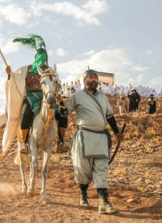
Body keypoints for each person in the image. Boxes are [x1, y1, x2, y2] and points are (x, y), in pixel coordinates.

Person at [57, 69, 123, 215]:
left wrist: (117, 132)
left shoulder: (103, 97)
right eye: (90, 77)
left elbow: (110, 116)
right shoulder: (77, 96)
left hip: (101, 137)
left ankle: (104, 203)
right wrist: (61, 103)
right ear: (85, 80)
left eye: (95, 77)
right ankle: (83, 197)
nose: (93, 79)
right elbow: (63, 113)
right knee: (83, 170)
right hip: (84, 137)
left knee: (102, 170)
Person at [6, 34, 70, 154]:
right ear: (35, 57)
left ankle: (61, 142)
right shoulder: (27, 69)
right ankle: (24, 142)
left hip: (49, 96)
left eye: (43, 55)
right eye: (40, 55)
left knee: (62, 114)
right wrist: (10, 74)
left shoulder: (51, 70)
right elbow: (17, 80)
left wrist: (58, 93)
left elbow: (58, 84)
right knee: (25, 112)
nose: (42, 57)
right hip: (32, 97)